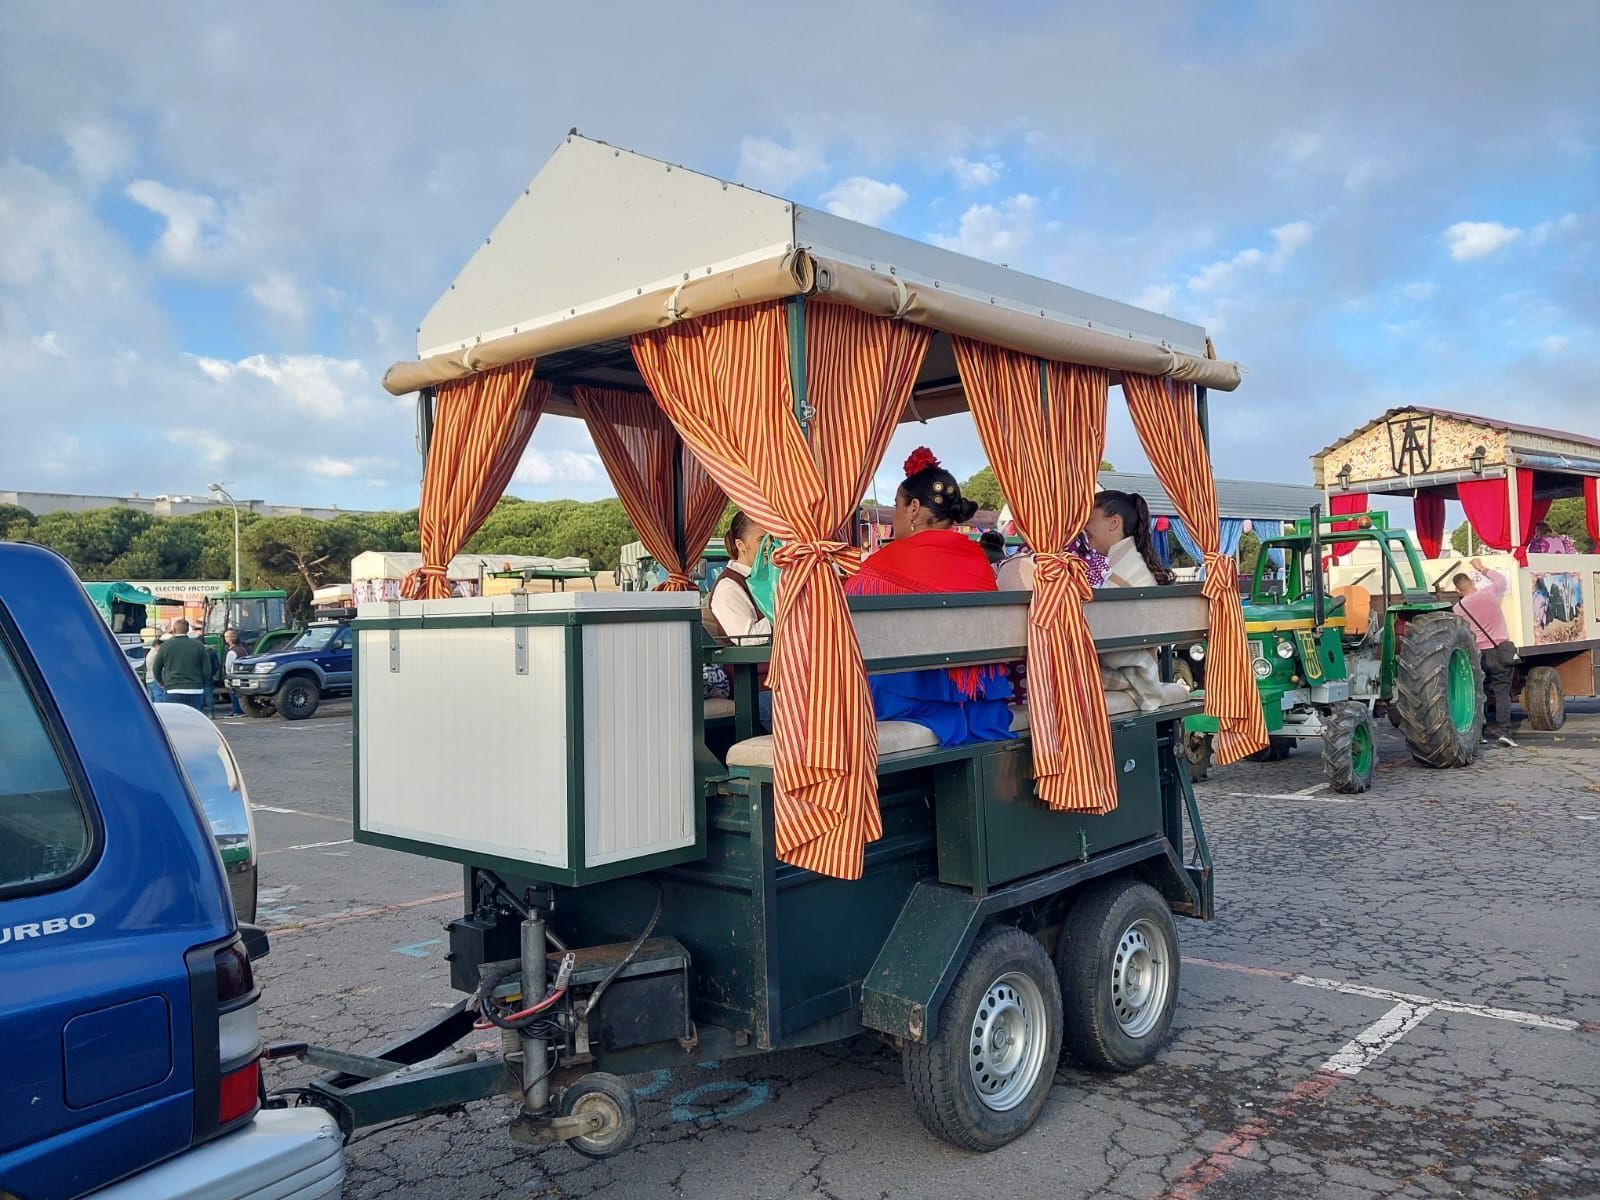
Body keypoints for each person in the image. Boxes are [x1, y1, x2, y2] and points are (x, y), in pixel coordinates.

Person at [845, 448, 1014, 746]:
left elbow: (849, 623)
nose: (895, 514)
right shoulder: (977, 557)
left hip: (916, 700)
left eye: (897, 505)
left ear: (913, 509)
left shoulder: (886, 561)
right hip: (981, 700)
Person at [1085, 490, 1190, 711]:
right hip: (1132, 660)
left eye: (1089, 518)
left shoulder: (1126, 570)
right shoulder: (1130, 565)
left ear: (1113, 522)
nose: (1084, 525)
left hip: (1130, 669)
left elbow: (1108, 637)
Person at [1453, 557, 1517, 748]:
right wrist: (1481, 567)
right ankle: (1504, 733)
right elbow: (1501, 581)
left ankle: (1479, 733)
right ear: (1472, 583)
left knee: (1478, 693)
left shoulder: (1458, 607)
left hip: (1478, 655)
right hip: (1500, 652)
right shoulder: (1489, 593)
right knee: (1502, 693)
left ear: (1457, 590)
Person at [706, 512, 773, 645]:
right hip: (756, 665)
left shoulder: (771, 578)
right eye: (761, 540)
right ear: (740, 545)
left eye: (771, 539)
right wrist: (787, 614)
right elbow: (747, 637)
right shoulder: (728, 587)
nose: (769, 545)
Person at [151, 618, 211, 712]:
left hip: (173, 689)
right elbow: (207, 670)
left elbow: (156, 669)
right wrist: (200, 683)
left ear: (174, 630)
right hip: (195, 690)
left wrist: (162, 682)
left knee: (175, 721)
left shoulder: (165, 646)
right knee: (193, 720)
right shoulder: (198, 646)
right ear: (188, 630)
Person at [222, 628, 245, 716]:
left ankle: (237, 711)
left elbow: (228, 665)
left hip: (233, 676)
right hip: (241, 675)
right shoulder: (242, 649)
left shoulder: (232, 652)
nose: (225, 639)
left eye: (227, 637)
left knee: (233, 693)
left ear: (232, 638)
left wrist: (227, 676)